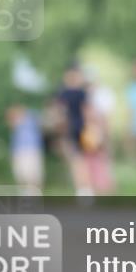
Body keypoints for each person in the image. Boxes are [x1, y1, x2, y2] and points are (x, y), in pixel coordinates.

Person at [56, 64, 94, 197]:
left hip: (73, 129)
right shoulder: (81, 92)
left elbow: (61, 113)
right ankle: (84, 188)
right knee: (80, 160)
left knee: (76, 160)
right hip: (78, 128)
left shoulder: (64, 93)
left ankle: (83, 188)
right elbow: (87, 112)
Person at [6, 104, 44, 194]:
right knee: (20, 174)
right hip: (19, 150)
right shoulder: (16, 124)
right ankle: (26, 192)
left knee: (33, 173)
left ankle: (34, 193)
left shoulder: (32, 117)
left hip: (32, 149)